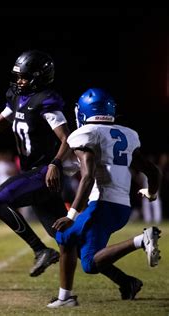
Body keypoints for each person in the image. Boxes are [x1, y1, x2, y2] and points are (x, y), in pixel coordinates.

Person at [47, 88, 162, 308]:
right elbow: (153, 171)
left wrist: (72, 214)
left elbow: (88, 176)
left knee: (64, 236)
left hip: (101, 204)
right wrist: (152, 193)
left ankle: (65, 298)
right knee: (88, 261)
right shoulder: (127, 134)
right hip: (121, 208)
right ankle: (126, 281)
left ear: (83, 112)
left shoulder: (85, 133)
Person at [0, 50, 71, 276]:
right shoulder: (16, 96)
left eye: (24, 76)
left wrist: (55, 164)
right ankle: (125, 279)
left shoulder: (46, 101)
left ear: (40, 76)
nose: (19, 81)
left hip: (43, 172)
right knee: (64, 236)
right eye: (18, 76)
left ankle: (40, 250)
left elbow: (67, 139)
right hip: (32, 173)